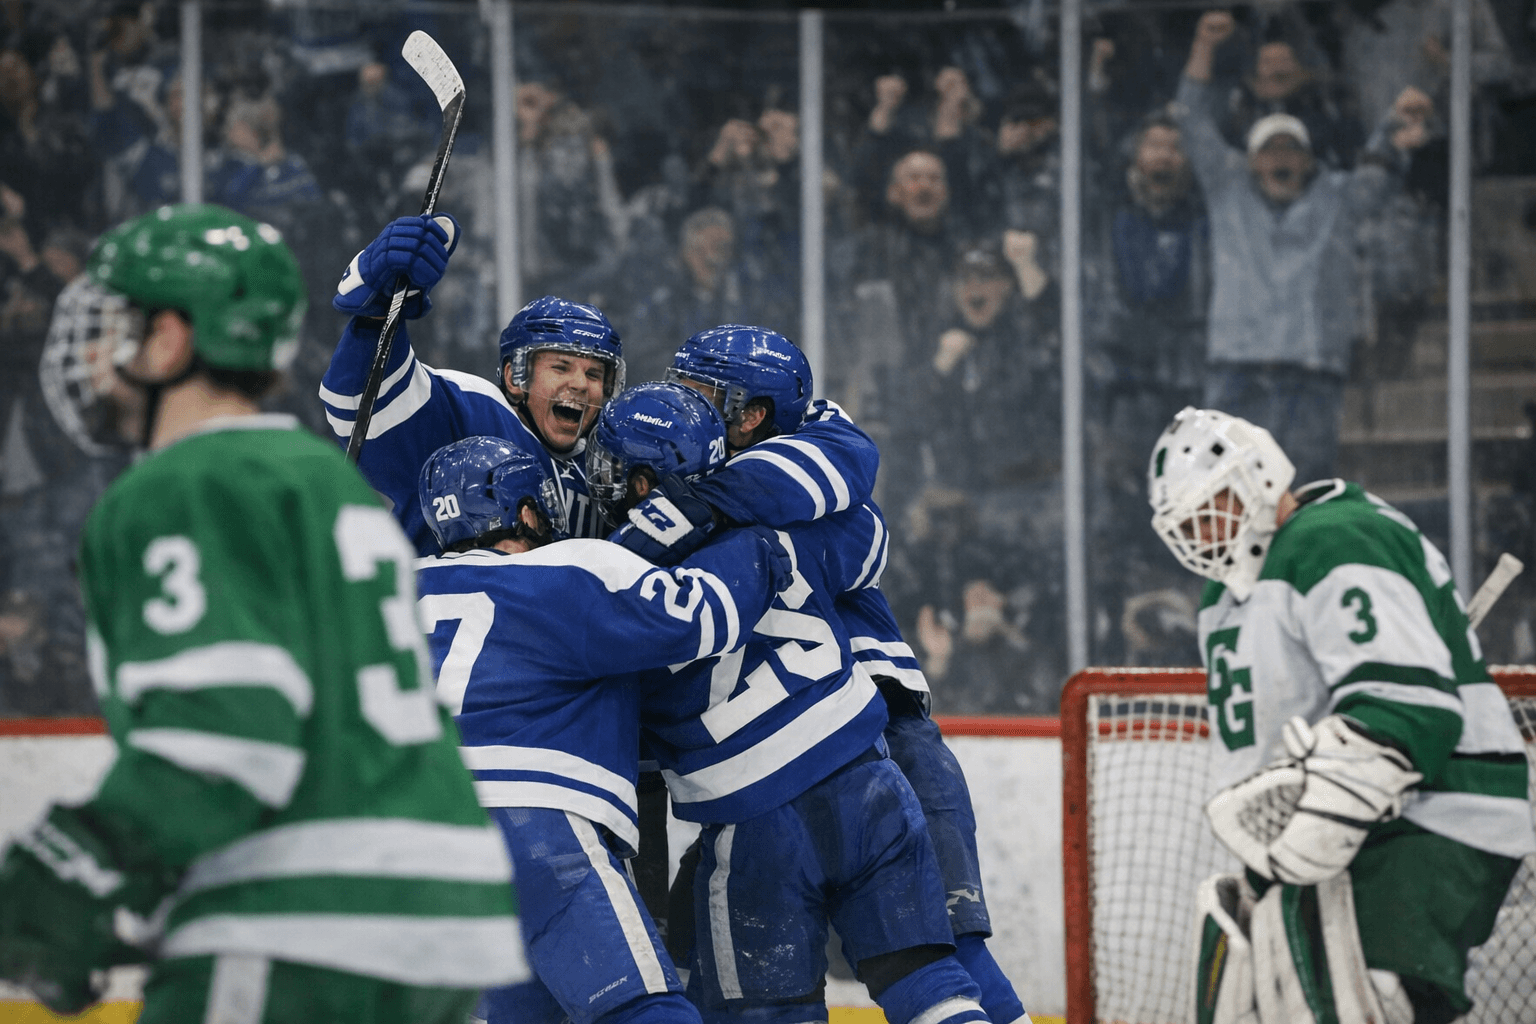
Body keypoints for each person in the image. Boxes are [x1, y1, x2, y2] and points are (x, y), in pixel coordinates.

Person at [1, 203, 526, 1022]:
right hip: (446, 912)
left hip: (300, 919)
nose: (92, 354)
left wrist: (72, 874)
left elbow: (222, 740)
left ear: (170, 340)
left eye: (112, 327)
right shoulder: (329, 483)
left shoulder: (184, 484)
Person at [626, 324, 1028, 1023]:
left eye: (698, 391)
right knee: (922, 968)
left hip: (875, 748)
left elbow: (862, 509)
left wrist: (676, 516)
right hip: (852, 763)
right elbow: (861, 534)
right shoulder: (789, 522)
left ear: (752, 414)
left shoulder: (797, 469)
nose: (680, 402)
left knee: (945, 955)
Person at [1146, 406, 1534, 1024]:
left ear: (1261, 479)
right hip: (1339, 829)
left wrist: (1322, 817)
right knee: (1282, 1002)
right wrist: (1269, 859)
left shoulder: (1335, 535)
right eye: (1189, 522)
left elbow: (1410, 710)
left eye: (1212, 507)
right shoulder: (1223, 596)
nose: (1203, 531)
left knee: (1371, 1000)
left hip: (1436, 814)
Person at [413, 424, 790, 1024]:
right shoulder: (568, 567)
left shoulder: (389, 591)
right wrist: (758, 536)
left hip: (408, 838)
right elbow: (709, 613)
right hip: (531, 825)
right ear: (530, 511)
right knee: (647, 1011)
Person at [1174, 9, 1435, 484]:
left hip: (1310, 372)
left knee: (1305, 492)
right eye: (1270, 151)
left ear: (1307, 158)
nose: (1281, 159)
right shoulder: (1228, 190)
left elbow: (1379, 172)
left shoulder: (1334, 198)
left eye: (1291, 150)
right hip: (1238, 371)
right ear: (1251, 160)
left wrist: (1399, 125)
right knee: (1228, 494)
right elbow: (1191, 120)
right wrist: (1204, 46)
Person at [319, 213, 626, 547]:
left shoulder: (607, 469)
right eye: (562, 367)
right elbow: (361, 407)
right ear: (514, 376)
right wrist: (379, 313)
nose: (581, 384)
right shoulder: (475, 411)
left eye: (594, 374)